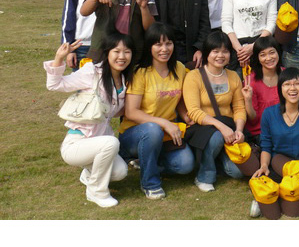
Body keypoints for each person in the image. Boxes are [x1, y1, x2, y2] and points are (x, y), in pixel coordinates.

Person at [44, 33, 134, 207]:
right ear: (107, 53)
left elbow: (117, 111)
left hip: (99, 141)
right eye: (116, 51)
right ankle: (97, 192)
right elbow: (55, 85)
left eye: (127, 52)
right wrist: (59, 58)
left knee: (120, 172)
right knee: (111, 143)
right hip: (77, 143)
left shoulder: (125, 80)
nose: (122, 56)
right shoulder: (92, 72)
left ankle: (88, 175)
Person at [118, 22, 194, 200]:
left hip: (165, 134)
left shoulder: (179, 68)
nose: (164, 49)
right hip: (136, 134)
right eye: (158, 44)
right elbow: (131, 112)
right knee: (153, 130)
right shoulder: (140, 73)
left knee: (186, 165)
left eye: (168, 43)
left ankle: (147, 162)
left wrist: (187, 117)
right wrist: (164, 123)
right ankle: (150, 183)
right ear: (149, 46)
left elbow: (178, 99)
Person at [182, 31, 246, 192]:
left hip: (229, 127)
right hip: (202, 128)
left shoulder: (233, 76)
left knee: (237, 172)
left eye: (225, 51)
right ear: (206, 53)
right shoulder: (194, 77)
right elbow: (193, 111)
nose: (220, 55)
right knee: (216, 136)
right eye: (215, 51)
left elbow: (239, 108)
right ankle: (204, 175)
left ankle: (214, 159)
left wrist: (239, 130)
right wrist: (221, 127)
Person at [252, 67, 299, 182]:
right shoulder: (269, 113)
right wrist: (263, 166)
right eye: (287, 84)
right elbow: (266, 145)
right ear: (280, 88)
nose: (292, 88)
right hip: (278, 164)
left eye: (297, 84)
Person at [242, 36, 283, 145]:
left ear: (278, 52)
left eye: (272, 52)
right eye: (263, 55)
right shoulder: (251, 81)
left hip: (284, 129)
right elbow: (253, 119)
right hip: (261, 132)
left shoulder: (287, 75)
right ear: (257, 58)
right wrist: (248, 100)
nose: (268, 58)